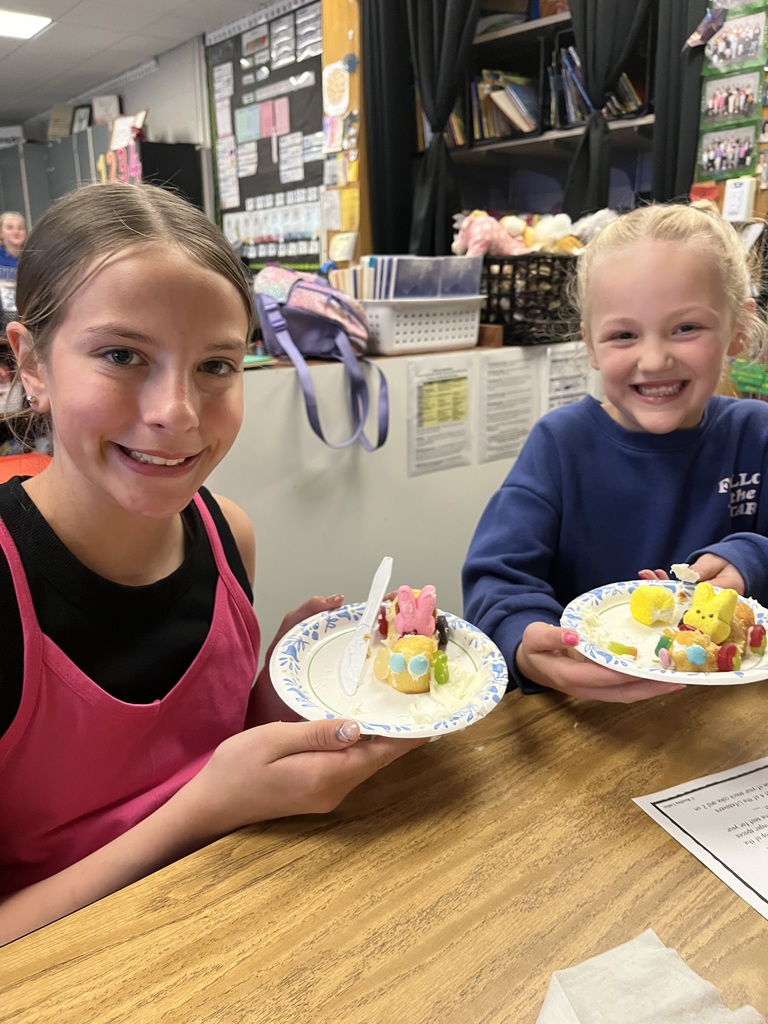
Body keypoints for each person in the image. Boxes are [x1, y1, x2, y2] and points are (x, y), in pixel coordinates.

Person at [0, 183, 424, 946]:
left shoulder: (230, 535)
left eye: (216, 366)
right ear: (32, 363)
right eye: (122, 355)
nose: (178, 413)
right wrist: (203, 809)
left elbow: (207, 752)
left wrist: (278, 695)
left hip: (245, 929)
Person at [462, 201, 768, 704]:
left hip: (728, 715)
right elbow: (497, 580)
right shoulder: (559, 445)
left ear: (738, 327)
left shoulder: (754, 435)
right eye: (624, 334)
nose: (654, 358)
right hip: (587, 713)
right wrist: (525, 643)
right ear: (590, 346)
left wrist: (750, 556)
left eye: (686, 327)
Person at [0, 210, 26, 278]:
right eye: (10, 227)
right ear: (1, 233)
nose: (16, 232)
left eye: (20, 228)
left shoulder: (31, 259)